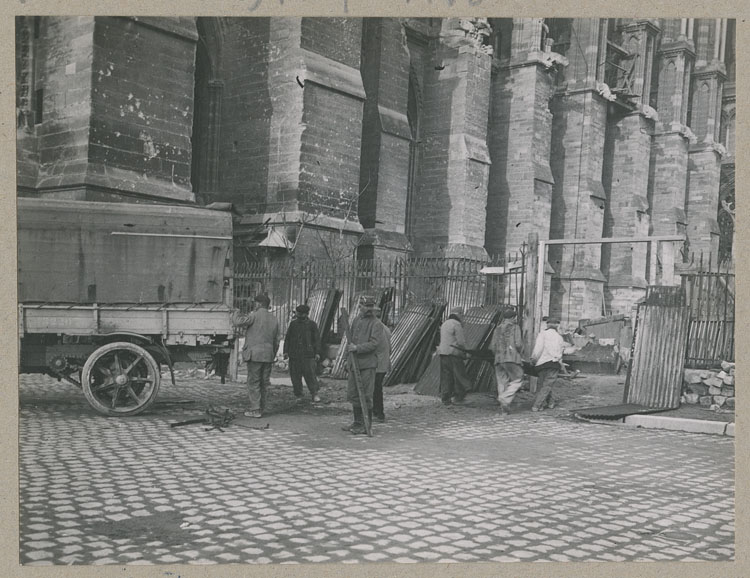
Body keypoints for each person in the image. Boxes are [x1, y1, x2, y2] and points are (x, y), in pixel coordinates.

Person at [232, 293, 280, 418]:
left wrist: (236, 311)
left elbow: (238, 322)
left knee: (254, 382)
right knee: (264, 382)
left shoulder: (254, 315)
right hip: (268, 355)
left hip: (255, 355)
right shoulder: (274, 319)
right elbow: (277, 341)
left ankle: (255, 409)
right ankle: (261, 408)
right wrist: (273, 353)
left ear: (258, 304)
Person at [342, 295, 384, 435]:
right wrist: (346, 358)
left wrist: (357, 348)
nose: (365, 309)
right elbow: (350, 341)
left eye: (368, 306)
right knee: (353, 394)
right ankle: (357, 422)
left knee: (366, 395)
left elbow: (374, 344)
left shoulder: (376, 324)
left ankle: (367, 424)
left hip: (367, 364)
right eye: (363, 306)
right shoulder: (355, 320)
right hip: (354, 363)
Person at [283, 304, 322, 404]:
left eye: (301, 313)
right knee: (295, 376)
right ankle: (298, 395)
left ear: (306, 314)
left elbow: (317, 340)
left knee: (310, 375)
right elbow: (287, 338)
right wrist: (286, 351)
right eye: (298, 313)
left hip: (308, 355)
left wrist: (317, 352)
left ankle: (314, 393)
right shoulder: (293, 324)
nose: (299, 315)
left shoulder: (312, 325)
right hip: (294, 355)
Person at [491, 307, 525, 415]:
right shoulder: (515, 328)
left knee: (502, 382)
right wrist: (520, 352)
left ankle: (504, 409)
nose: (515, 319)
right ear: (512, 318)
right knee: (518, 379)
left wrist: (498, 354)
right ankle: (504, 398)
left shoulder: (498, 328)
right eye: (515, 317)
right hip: (511, 358)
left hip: (498, 359)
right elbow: (518, 344)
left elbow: (492, 346)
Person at [530, 316, 565, 412]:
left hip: (542, 363)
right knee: (547, 385)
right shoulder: (559, 338)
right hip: (554, 364)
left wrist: (534, 359)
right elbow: (561, 352)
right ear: (557, 325)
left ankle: (544, 404)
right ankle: (543, 404)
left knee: (542, 385)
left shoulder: (543, 334)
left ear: (547, 324)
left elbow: (538, 348)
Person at [437, 306, 470, 406]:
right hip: (454, 353)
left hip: (443, 353)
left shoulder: (445, 324)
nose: (463, 317)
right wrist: (466, 351)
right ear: (459, 314)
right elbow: (461, 342)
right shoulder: (456, 324)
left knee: (446, 376)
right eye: (462, 314)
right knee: (459, 375)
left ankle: (445, 398)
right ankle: (459, 396)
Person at [372, 306, 392, 422]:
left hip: (376, 363)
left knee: (374, 388)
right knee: (377, 388)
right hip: (384, 363)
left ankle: (378, 412)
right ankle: (377, 411)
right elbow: (390, 349)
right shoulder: (386, 328)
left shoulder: (375, 328)